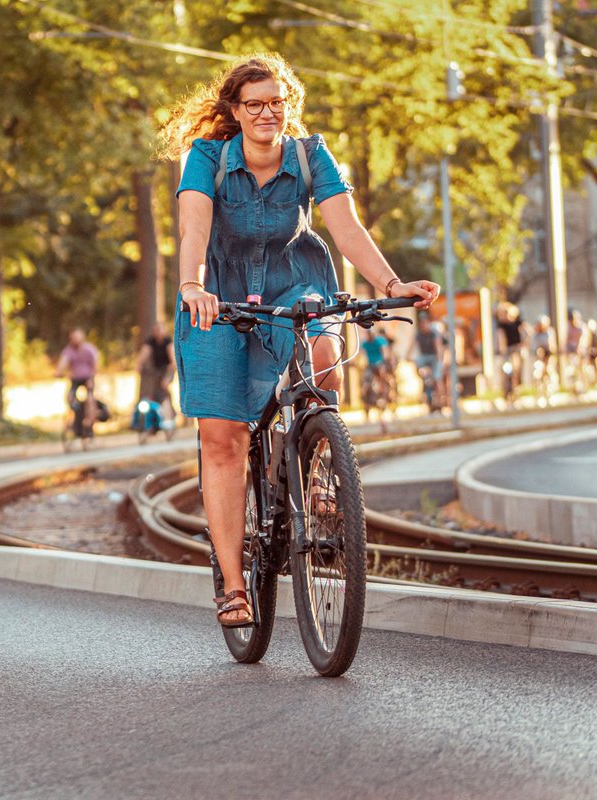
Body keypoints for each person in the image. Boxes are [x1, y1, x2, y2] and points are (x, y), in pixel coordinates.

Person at [161, 54, 439, 628]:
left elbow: (346, 227)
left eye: (277, 103)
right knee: (223, 439)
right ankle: (233, 587)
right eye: (255, 104)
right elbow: (195, 228)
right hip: (217, 298)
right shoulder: (208, 158)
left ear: (289, 104)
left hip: (296, 286)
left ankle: (316, 471)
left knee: (323, 353)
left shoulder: (311, 155)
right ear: (236, 110)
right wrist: (193, 286)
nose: (268, 113)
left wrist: (391, 285)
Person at [56, 327, 100, 435]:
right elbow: (63, 362)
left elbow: (95, 365)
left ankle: (90, 421)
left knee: (90, 398)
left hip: (87, 378)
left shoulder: (89, 349)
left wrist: (91, 378)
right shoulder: (68, 350)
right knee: (69, 397)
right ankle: (77, 413)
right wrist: (59, 372)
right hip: (75, 378)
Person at [137, 321, 175, 415]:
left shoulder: (168, 341)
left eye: (159, 330)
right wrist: (139, 365)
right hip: (156, 369)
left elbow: (173, 361)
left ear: (164, 331)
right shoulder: (151, 341)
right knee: (151, 389)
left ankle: (171, 412)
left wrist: (167, 378)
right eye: (155, 330)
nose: (157, 332)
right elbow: (144, 354)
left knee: (164, 386)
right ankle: (153, 413)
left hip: (168, 369)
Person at [359, 327, 391, 432]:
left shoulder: (379, 341)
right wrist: (356, 362)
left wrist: (384, 362)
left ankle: (385, 390)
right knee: (366, 382)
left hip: (379, 364)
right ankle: (366, 405)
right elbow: (360, 354)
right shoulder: (365, 343)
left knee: (382, 375)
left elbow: (385, 352)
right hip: (370, 365)